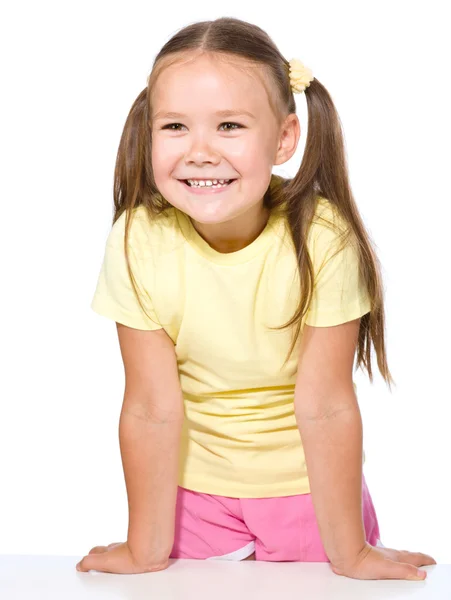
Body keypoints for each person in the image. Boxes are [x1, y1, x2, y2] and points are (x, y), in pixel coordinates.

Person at [76, 17, 436, 581]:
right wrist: (144, 548)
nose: (200, 152)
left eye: (229, 126)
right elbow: (150, 407)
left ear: (285, 138)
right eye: (174, 126)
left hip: (309, 503)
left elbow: (326, 406)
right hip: (190, 507)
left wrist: (352, 553)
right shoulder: (136, 239)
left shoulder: (322, 237)